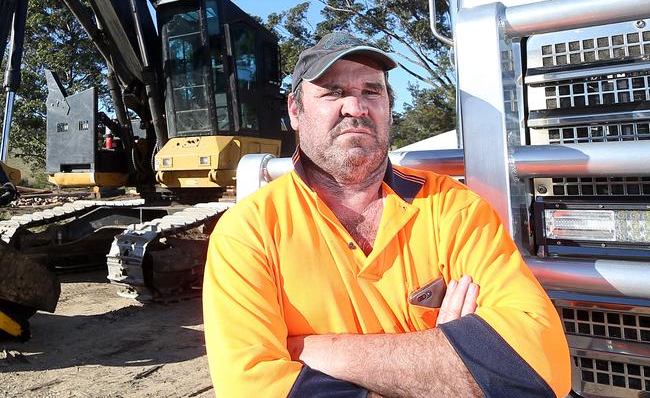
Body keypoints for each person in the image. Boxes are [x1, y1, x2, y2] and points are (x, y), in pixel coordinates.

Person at [202, 32, 571, 397]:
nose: (356, 107)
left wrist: (321, 351)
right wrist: (448, 354)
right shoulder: (248, 233)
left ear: (388, 108)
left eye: (371, 91)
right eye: (333, 91)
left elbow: (542, 365)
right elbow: (250, 387)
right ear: (295, 111)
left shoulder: (452, 208)